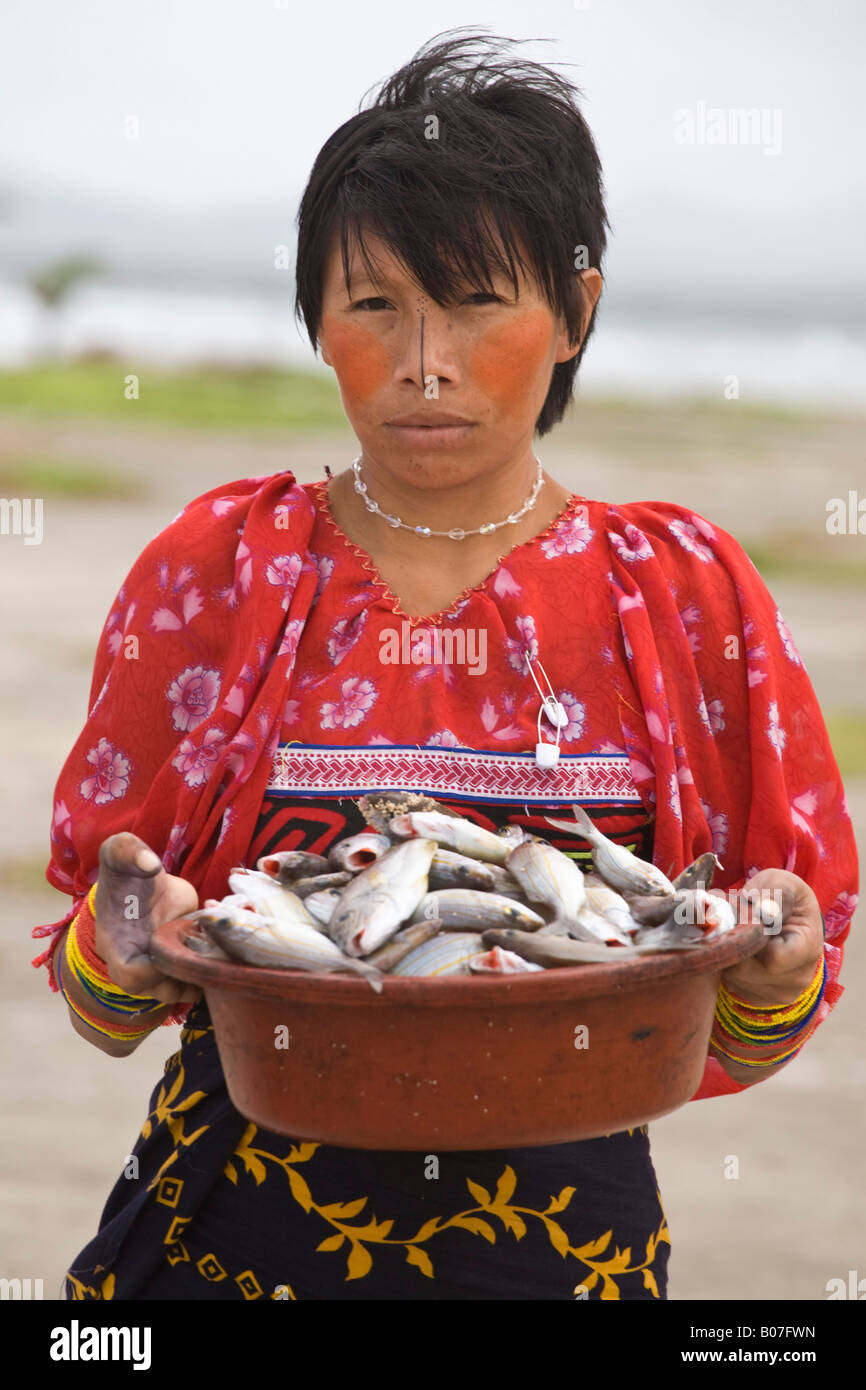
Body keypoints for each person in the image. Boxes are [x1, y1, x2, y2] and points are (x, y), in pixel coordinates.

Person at [35, 31, 857, 1302]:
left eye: (477, 300)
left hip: (561, 1260)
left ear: (577, 310)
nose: (425, 362)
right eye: (373, 305)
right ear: (312, 319)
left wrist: (772, 973)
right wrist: (122, 944)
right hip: (221, 1246)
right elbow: (105, 1007)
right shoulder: (217, 568)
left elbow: (749, 1019)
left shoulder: (685, 595)